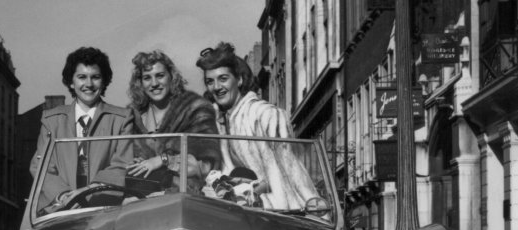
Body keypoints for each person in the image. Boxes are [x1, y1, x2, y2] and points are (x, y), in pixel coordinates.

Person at [195, 42, 317, 209]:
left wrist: (249, 192)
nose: (216, 87)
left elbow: (286, 174)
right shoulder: (216, 121)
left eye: (223, 79)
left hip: (278, 212)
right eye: (210, 81)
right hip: (239, 212)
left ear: (239, 79)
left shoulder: (265, 115)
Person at [29, 46, 135, 207]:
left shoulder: (122, 118)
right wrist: (64, 196)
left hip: (103, 206)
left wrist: (89, 191)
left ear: (104, 80)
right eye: (82, 77)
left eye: (95, 77)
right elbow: (40, 166)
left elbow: (121, 165)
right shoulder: (51, 119)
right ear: (71, 82)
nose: (89, 84)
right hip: (58, 208)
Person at [124, 50, 219, 189]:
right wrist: (136, 163)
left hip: (186, 195)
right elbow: (122, 162)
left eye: (160, 76)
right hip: (142, 196)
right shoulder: (132, 118)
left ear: (171, 77)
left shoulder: (195, 110)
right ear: (140, 83)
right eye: (147, 78)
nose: (154, 83)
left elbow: (206, 165)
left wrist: (164, 160)